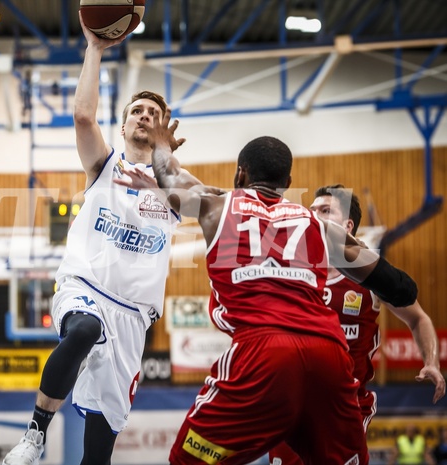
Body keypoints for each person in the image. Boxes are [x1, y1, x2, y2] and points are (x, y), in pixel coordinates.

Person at [116, 110, 421, 464]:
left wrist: (160, 145)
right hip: (329, 355)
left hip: (264, 351)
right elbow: (399, 286)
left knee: (189, 459)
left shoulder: (218, 205)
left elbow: (171, 176)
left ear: (240, 173)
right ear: (288, 181)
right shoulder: (318, 225)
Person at [2, 12, 184, 465]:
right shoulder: (105, 166)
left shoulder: (177, 186)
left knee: (97, 456)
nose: (144, 117)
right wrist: (95, 49)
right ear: (123, 128)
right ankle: (35, 433)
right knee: (84, 328)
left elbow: (219, 207)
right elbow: (84, 116)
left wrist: (165, 170)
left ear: (164, 129)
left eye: (153, 114)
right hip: (84, 288)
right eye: (136, 112)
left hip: (134, 318)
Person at [268, 185, 445, 465]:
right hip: (293, 403)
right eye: (312, 211)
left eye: (325, 211)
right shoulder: (289, 271)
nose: (314, 217)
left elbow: (418, 317)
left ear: (347, 226)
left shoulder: (371, 276)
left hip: (343, 406)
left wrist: (431, 361)